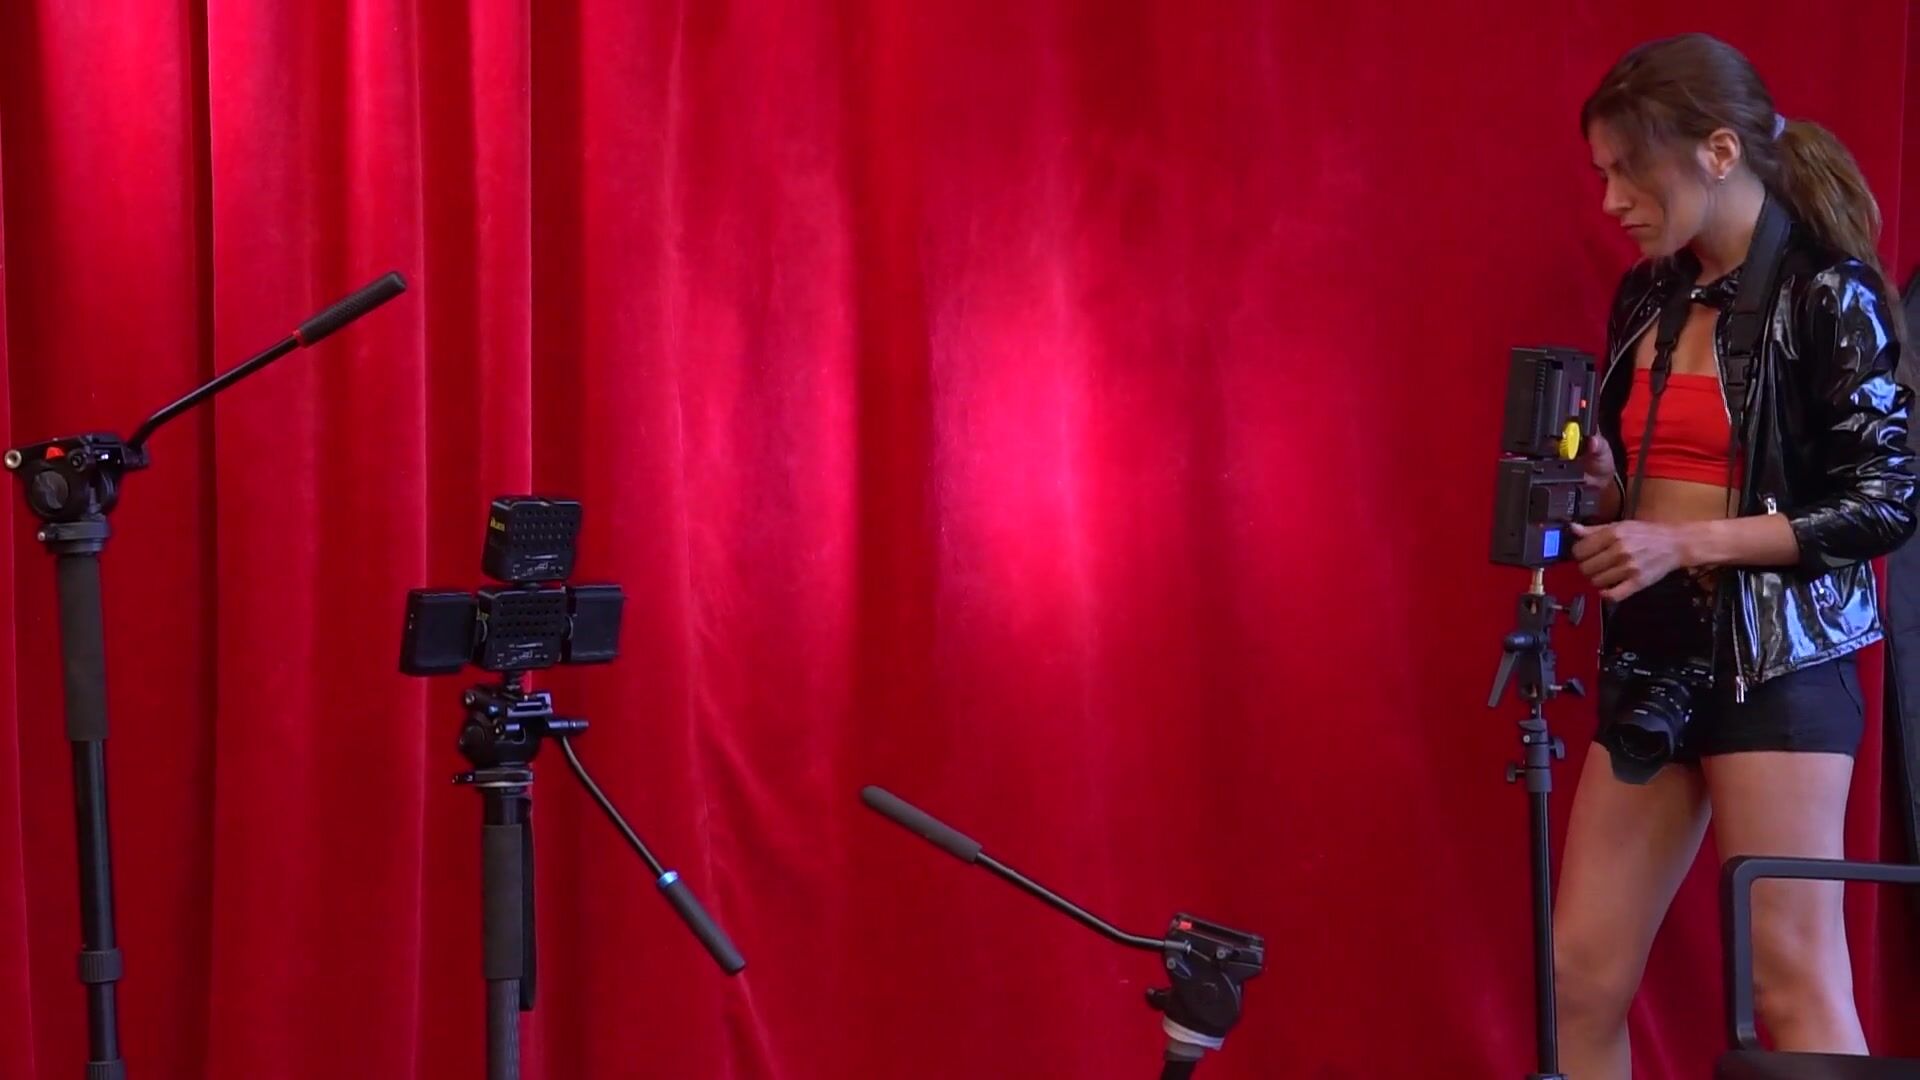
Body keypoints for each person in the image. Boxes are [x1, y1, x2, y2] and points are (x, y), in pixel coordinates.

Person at [1553, 32, 1917, 1078]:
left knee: (1793, 982)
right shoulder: (1648, 294)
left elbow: (1885, 502)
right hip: (1657, 656)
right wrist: (1607, 493)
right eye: (1603, 173)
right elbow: (1655, 482)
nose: (1613, 200)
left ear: (1719, 152)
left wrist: (1684, 541)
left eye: (1632, 170)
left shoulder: (1828, 292)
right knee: (1578, 978)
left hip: (1781, 665)